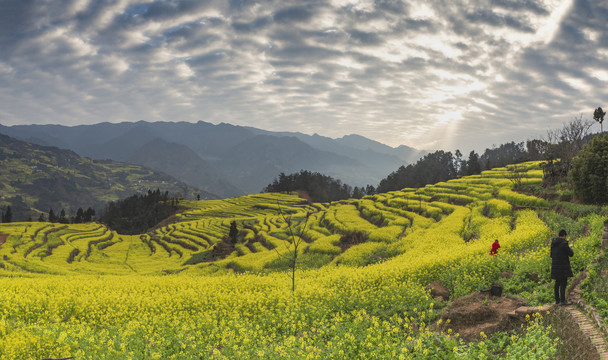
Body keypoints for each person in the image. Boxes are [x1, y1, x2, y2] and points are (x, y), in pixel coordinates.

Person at [551, 229, 574, 305]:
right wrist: (569, 247)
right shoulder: (564, 243)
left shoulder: (553, 244)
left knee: (557, 283)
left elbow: (551, 255)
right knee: (563, 283)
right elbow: (571, 254)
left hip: (555, 267)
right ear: (564, 235)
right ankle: (563, 301)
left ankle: (557, 300)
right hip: (563, 267)